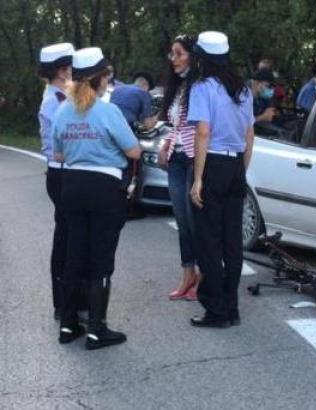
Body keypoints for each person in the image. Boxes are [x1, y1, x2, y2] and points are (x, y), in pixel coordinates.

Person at [52, 47, 142, 349]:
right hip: (104, 187)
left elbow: (59, 153)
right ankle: (96, 328)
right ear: (101, 78)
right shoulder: (108, 111)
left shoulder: (63, 110)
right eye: (107, 74)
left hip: (72, 184)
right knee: (101, 258)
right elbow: (133, 151)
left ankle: (68, 325)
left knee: (74, 254)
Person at [187, 31, 255, 328]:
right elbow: (250, 134)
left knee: (209, 240)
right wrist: (242, 168)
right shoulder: (243, 90)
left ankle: (215, 310)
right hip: (236, 165)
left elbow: (203, 132)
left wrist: (198, 178)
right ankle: (232, 307)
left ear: (202, 58)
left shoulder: (203, 88)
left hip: (212, 162)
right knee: (232, 242)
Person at [156, 34, 201, 301]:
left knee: (196, 222)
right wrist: (165, 146)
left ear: (194, 56)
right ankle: (188, 274)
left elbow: (202, 127)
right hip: (176, 159)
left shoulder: (203, 86)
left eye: (179, 53)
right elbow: (177, 126)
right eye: (172, 54)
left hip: (195, 158)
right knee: (183, 222)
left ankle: (205, 274)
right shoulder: (178, 87)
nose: (174, 59)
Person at [38, 42, 76, 320]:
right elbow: (62, 144)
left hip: (64, 173)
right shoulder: (55, 101)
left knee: (70, 236)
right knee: (65, 239)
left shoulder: (62, 95)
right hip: (61, 173)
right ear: (63, 71)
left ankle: (71, 299)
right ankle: (62, 303)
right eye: (71, 68)